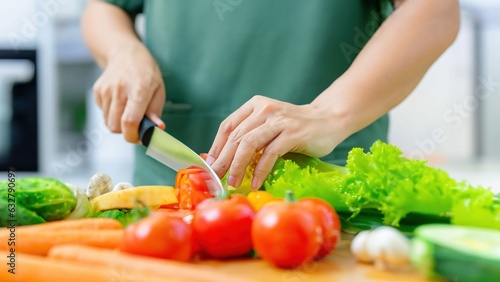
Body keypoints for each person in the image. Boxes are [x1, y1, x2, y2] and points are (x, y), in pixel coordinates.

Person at [82, 0, 460, 190]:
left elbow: (435, 9)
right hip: (168, 183)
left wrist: (328, 114)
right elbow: (105, 6)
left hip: (326, 189)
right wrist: (123, 53)